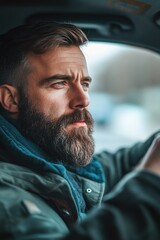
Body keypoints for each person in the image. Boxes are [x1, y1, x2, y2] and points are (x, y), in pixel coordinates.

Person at [0, 21, 160, 240]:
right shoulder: (6, 201)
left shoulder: (57, 160)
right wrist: (149, 186)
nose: (83, 99)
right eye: (59, 84)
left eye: (84, 84)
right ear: (11, 99)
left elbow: (125, 161)